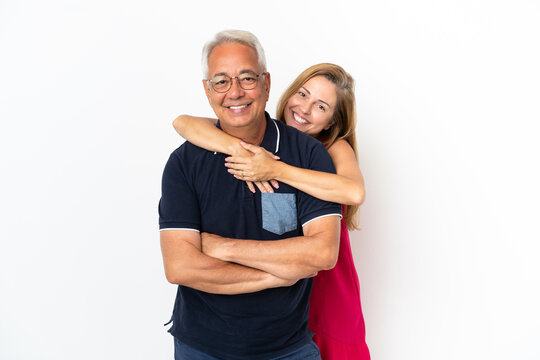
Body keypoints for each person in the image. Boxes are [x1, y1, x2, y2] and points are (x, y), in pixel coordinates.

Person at [159, 30, 342, 360]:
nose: (235, 92)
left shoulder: (308, 155)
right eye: (221, 81)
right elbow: (181, 267)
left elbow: (322, 254)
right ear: (207, 90)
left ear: (267, 84)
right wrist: (276, 274)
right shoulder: (183, 163)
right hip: (201, 348)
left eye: (247, 78)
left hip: (289, 349)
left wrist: (221, 247)